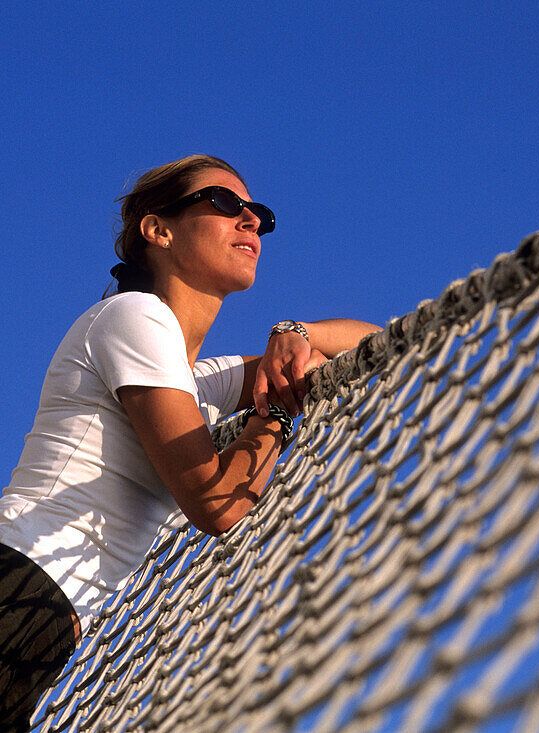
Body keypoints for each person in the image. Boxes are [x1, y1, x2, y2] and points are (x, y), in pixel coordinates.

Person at [0, 155, 380, 730]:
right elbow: (215, 502)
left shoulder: (195, 381)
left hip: (40, 621)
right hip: (18, 584)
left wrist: (294, 333)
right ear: (158, 230)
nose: (250, 221)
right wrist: (275, 409)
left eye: (260, 215)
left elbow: (375, 345)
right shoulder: (133, 317)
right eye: (226, 204)